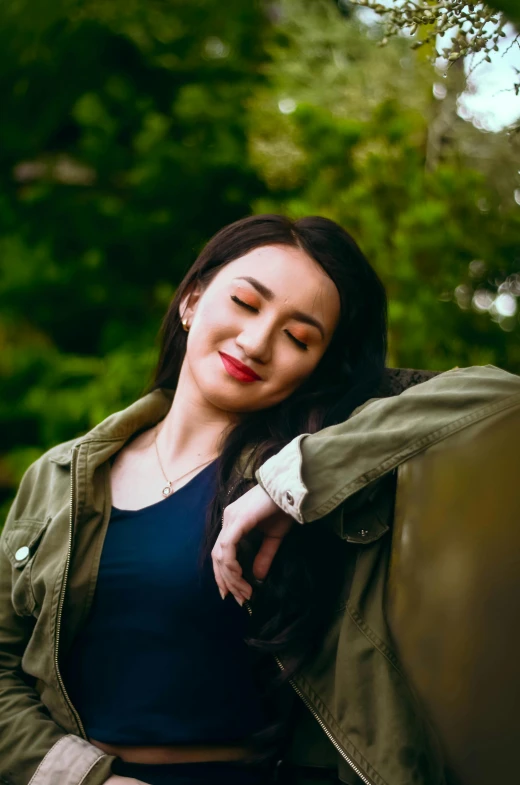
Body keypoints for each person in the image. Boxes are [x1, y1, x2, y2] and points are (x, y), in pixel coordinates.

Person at [0, 213, 391, 785]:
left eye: (298, 337)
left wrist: (309, 470)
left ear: (316, 369)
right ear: (191, 301)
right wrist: (86, 779)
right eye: (245, 302)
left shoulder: (309, 490)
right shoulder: (58, 475)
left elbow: (497, 395)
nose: (256, 343)